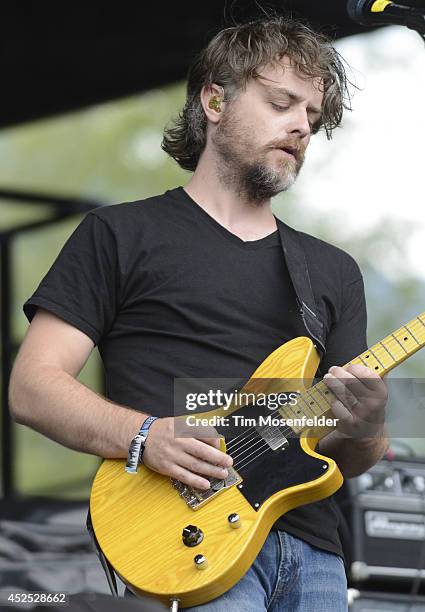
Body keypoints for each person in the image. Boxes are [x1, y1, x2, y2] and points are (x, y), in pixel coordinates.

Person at [9, 15, 389, 612]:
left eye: (311, 118)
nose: (299, 127)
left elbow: (355, 456)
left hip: (315, 552)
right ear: (215, 100)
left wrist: (367, 422)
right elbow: (32, 387)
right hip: (184, 541)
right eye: (281, 103)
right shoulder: (119, 234)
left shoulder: (330, 270)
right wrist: (144, 435)